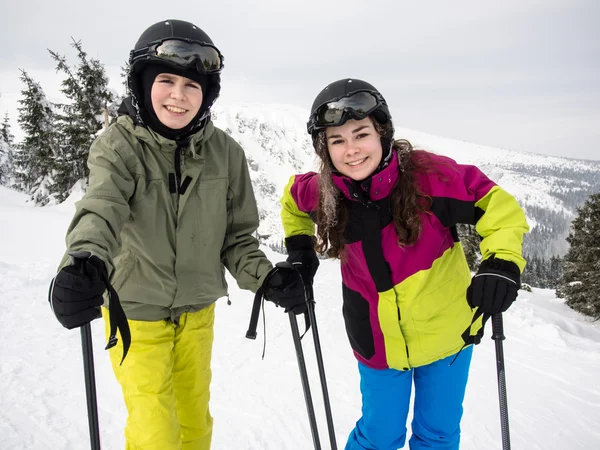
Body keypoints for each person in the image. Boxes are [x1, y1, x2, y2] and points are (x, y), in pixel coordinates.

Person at [264, 78, 529, 450]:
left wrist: (501, 263)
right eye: (337, 141)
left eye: (361, 134)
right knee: (378, 437)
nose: (351, 150)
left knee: (436, 434)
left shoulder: (428, 176)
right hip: (376, 341)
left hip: (448, 336)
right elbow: (293, 202)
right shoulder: (324, 189)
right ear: (325, 151)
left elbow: (496, 205)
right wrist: (301, 253)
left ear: (383, 133)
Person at [49, 19, 272, 450]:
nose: (178, 95)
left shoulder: (226, 154)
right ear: (141, 84)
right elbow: (101, 209)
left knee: (194, 425)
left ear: (207, 93)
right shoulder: (118, 146)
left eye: (192, 85)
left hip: (197, 314)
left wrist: (267, 277)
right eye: (166, 80)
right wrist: (84, 260)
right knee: (156, 434)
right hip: (134, 313)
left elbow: (238, 236)